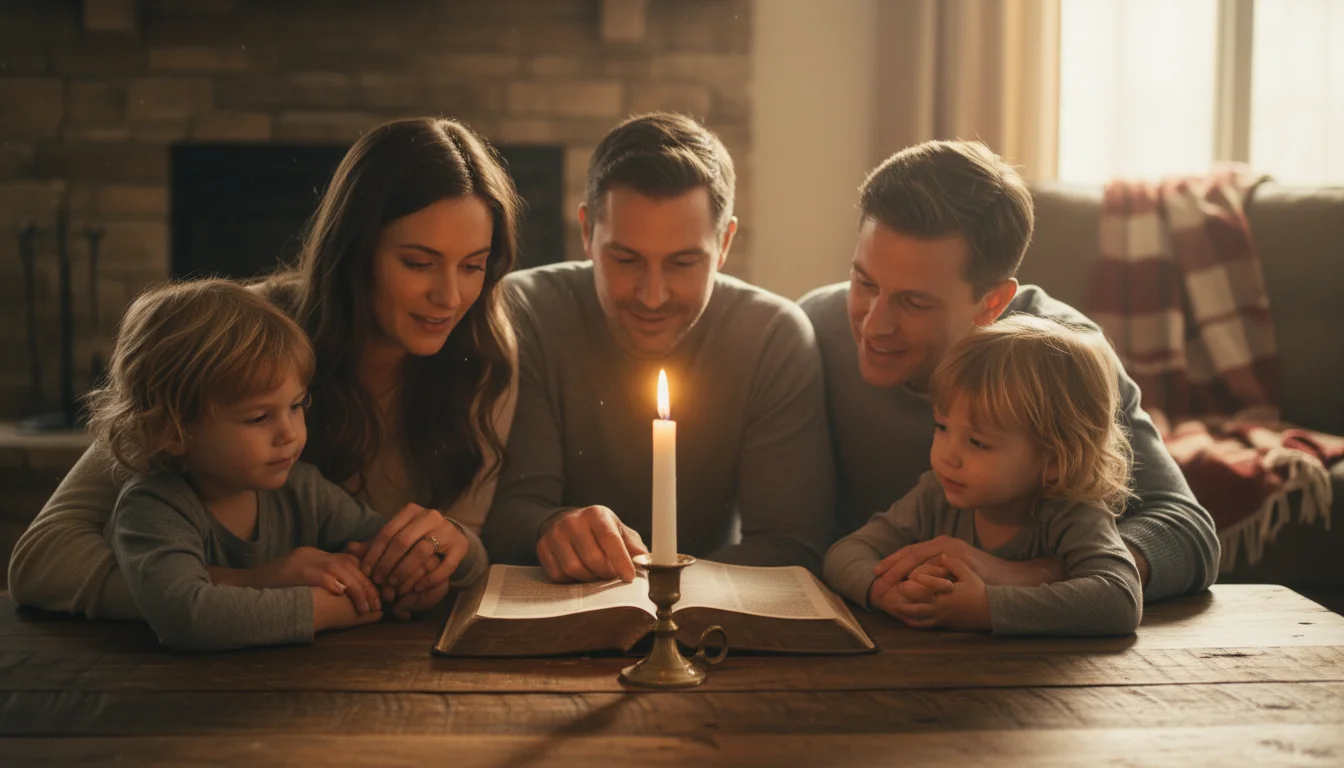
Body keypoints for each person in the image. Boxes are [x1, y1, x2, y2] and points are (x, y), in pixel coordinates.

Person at [9, 117, 521, 621]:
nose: (450, 297)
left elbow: (464, 542)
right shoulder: (241, 337)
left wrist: (439, 558)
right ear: (353, 251)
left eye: (473, 265)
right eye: (418, 263)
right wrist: (237, 584)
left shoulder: (486, 356)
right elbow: (42, 560)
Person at [800, 140, 1219, 603]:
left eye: (915, 302)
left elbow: (1187, 532)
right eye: (865, 282)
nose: (874, 324)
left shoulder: (1062, 357)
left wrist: (1030, 575)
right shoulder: (810, 332)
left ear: (993, 301)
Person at [482, 113, 834, 583]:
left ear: (725, 242)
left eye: (683, 263)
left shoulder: (773, 337)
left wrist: (661, 591)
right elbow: (508, 513)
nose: (652, 296)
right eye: (625, 259)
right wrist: (550, 527)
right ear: (586, 232)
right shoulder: (525, 313)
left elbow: (792, 543)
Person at [94, 280, 392, 650]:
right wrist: (324, 610)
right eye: (258, 418)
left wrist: (420, 565)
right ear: (171, 430)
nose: (290, 434)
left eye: (296, 406)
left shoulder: (302, 488)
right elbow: (188, 616)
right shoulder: (154, 507)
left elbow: (384, 547)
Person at [824, 315, 1143, 635]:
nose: (947, 455)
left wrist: (986, 609)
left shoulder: (1071, 513)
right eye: (942, 427)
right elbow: (845, 553)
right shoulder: (934, 496)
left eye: (977, 442)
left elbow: (1120, 598)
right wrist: (881, 589)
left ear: (1055, 459)